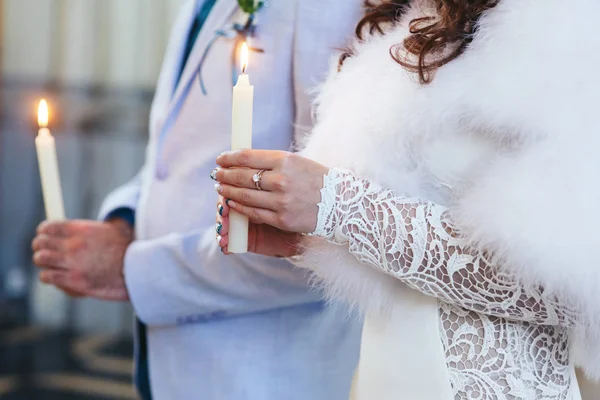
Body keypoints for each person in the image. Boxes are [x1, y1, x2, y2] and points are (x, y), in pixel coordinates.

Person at [214, 0, 600, 399]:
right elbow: (395, 241)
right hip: (383, 379)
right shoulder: (399, 26)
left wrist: (340, 206)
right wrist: (312, 235)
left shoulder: (565, 26)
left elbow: (569, 289)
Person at [30, 1, 365, 399]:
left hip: (258, 374)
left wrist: (130, 268)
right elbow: (171, 157)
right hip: (168, 358)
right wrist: (124, 221)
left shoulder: (330, 9)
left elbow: (332, 234)